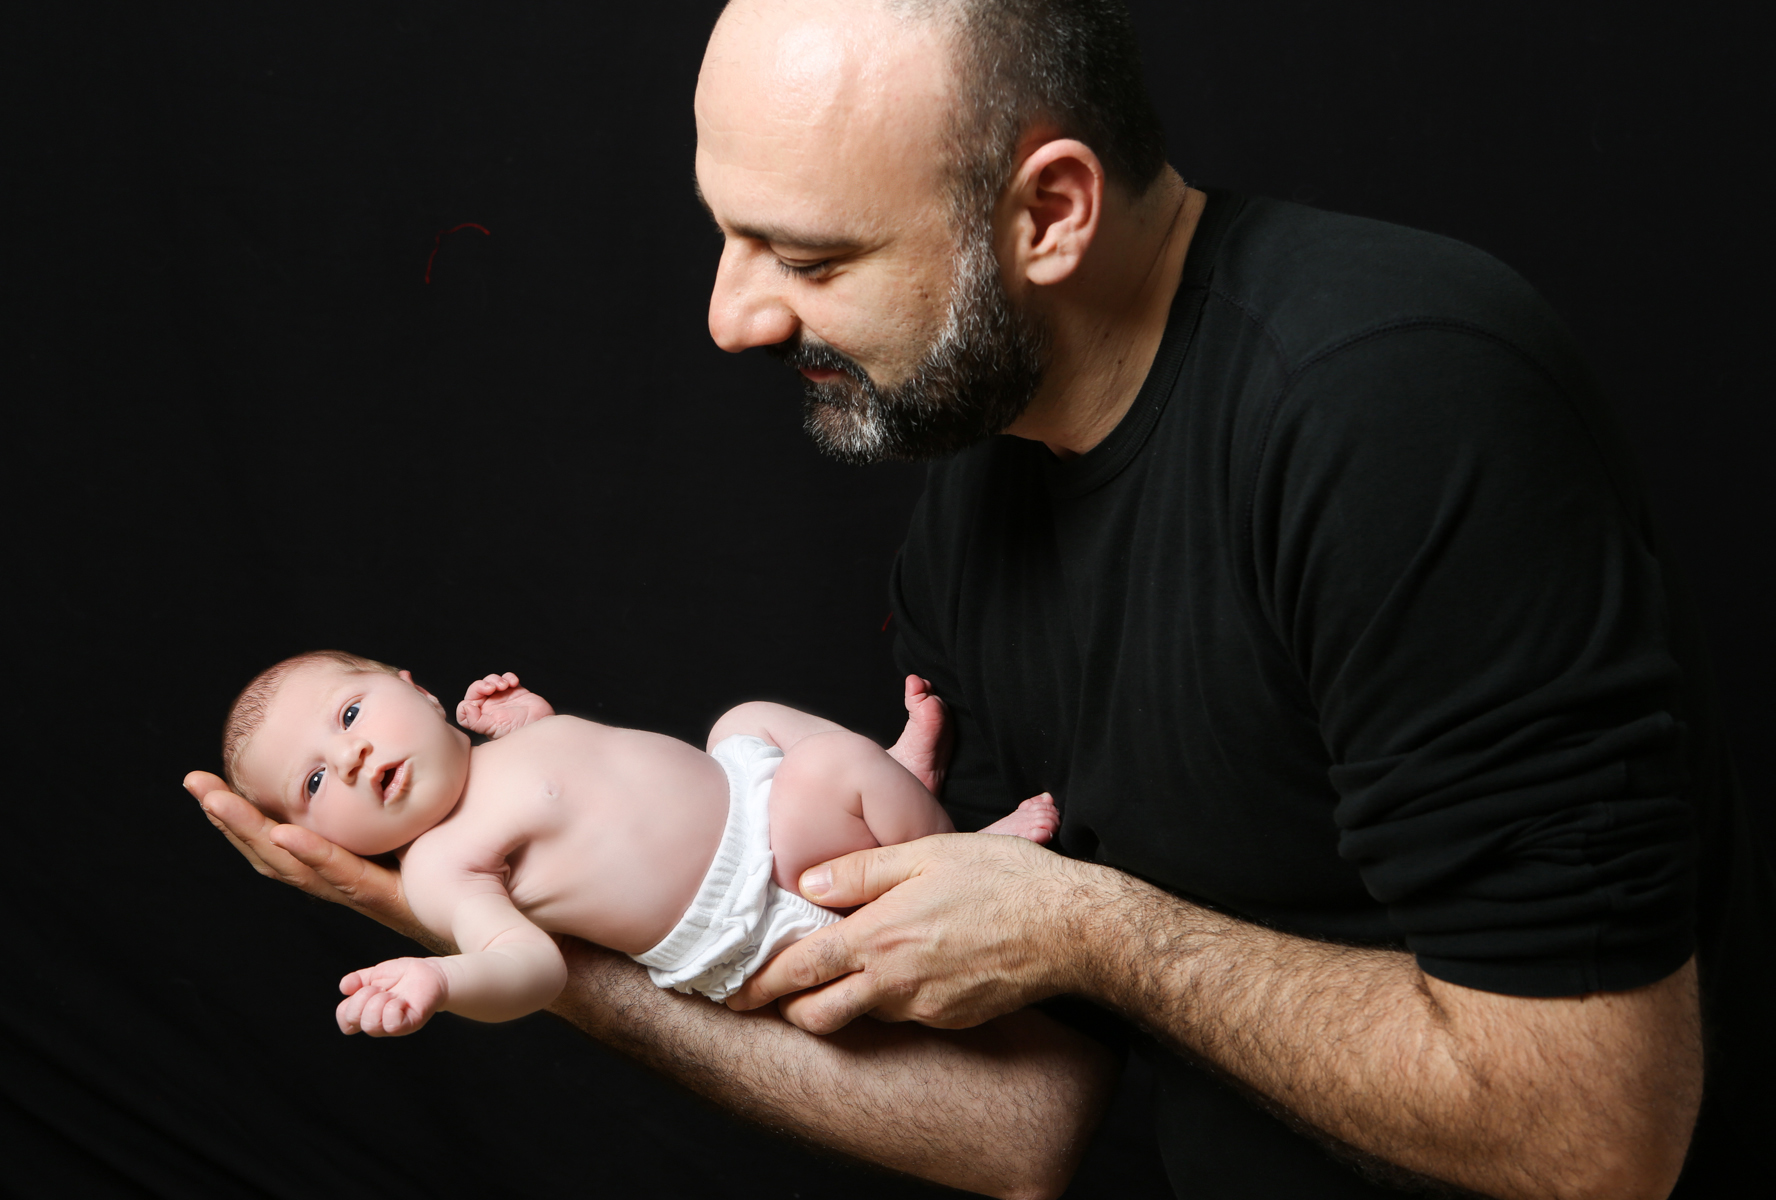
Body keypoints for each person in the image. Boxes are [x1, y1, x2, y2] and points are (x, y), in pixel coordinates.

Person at [187, 1, 1772, 1196]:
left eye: (807, 256)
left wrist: (1096, 931)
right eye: (726, 235)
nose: (734, 318)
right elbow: (1022, 1124)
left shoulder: (1390, 403)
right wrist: (517, 930)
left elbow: (1598, 1134)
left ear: (1051, 212)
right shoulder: (974, 513)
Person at [216, 650, 1056, 1033]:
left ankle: (897, 790)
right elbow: (528, 968)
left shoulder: (498, 752)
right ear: (317, 838)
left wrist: (533, 722)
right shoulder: (440, 865)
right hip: (758, 901)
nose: (351, 757)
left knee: (746, 720)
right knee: (822, 773)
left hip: (746, 801)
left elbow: (591, 790)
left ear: (418, 692)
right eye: (314, 782)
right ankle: (961, 858)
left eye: (350, 714)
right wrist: (442, 979)